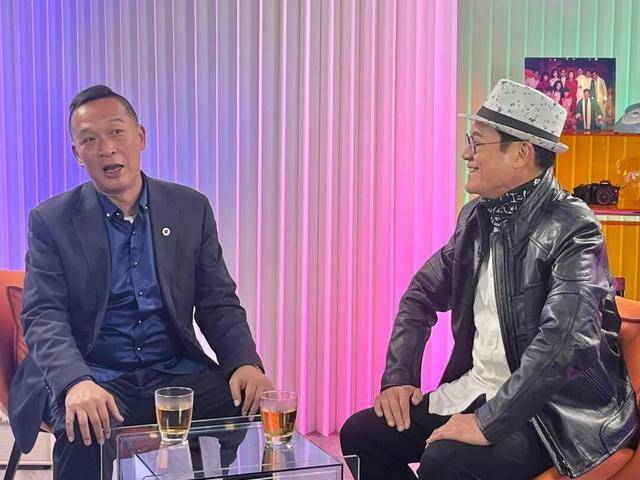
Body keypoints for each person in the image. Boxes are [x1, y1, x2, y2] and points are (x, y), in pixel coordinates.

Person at [340, 79, 638, 480]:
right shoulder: (476, 217)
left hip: (553, 413)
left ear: (521, 153)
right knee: (361, 435)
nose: (466, 153)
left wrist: (486, 423)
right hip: (479, 387)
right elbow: (420, 294)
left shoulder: (574, 227)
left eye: (477, 142)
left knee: (444, 461)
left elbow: (565, 341)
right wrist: (399, 377)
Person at [8, 85, 274, 479]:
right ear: (77, 154)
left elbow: (217, 299)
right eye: (89, 140)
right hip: (95, 371)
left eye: (116, 132)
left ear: (140, 136)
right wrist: (75, 381)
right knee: (84, 426)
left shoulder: (190, 208)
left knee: (250, 405)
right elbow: (43, 314)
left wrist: (245, 362)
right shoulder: (51, 221)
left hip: (174, 371)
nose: (106, 148)